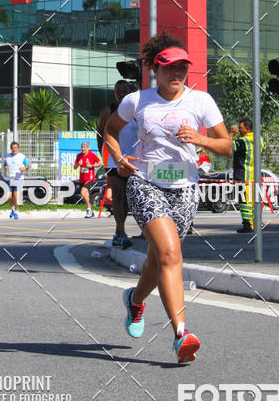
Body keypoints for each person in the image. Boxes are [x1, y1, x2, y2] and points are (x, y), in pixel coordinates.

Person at [104, 31, 232, 364]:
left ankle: (135, 300)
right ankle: (181, 334)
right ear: (155, 69)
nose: (176, 75)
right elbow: (111, 131)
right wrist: (119, 158)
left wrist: (201, 140)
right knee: (170, 253)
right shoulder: (137, 101)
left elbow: (226, 145)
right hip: (146, 183)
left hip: (185, 188)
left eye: (182, 69)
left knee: (159, 258)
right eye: (169, 68)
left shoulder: (201, 101)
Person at [97, 80, 137, 248]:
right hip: (114, 161)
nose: (121, 94)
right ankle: (120, 231)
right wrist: (104, 155)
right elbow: (100, 133)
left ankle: (145, 230)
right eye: (118, 91)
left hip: (135, 161)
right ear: (114, 93)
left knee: (132, 196)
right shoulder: (109, 111)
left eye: (124, 92)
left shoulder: (136, 111)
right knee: (119, 195)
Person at [230, 117, 262, 233]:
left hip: (243, 175)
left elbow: (228, 149)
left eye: (240, 128)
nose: (239, 129)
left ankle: (248, 224)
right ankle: (256, 222)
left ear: (247, 128)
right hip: (255, 175)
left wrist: (231, 134)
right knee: (253, 200)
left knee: (244, 202)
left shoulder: (242, 141)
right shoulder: (259, 139)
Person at [3, 140, 29, 219]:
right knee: (8, 197)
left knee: (15, 196)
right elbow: (5, 165)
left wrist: (24, 168)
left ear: (18, 148)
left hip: (19, 178)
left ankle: (16, 211)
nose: (14, 149)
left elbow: (27, 165)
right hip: (9, 178)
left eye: (16, 147)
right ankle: (13, 209)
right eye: (13, 148)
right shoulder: (7, 156)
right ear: (11, 148)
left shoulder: (22, 156)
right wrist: (6, 167)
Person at [74, 141, 100, 218]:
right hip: (82, 178)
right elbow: (75, 167)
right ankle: (90, 210)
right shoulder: (79, 156)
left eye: (84, 147)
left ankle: (89, 210)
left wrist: (91, 166)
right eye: (82, 147)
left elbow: (100, 163)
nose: (83, 149)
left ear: (88, 148)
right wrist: (79, 164)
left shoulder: (92, 155)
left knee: (82, 193)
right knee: (86, 195)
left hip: (90, 177)